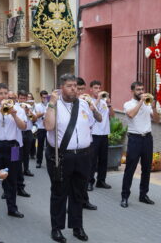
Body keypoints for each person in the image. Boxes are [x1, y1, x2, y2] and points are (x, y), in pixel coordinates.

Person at [44, 74, 98, 243]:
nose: (74, 88)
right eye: (69, 85)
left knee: (78, 193)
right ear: (61, 88)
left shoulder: (83, 104)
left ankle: (77, 227)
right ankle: (57, 228)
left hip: (83, 155)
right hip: (62, 157)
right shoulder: (54, 105)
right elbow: (49, 126)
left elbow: (96, 120)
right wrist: (52, 103)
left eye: (75, 85)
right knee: (59, 193)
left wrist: (93, 106)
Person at [0, 83, 27, 218]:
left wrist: (14, 114)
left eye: (5, 93)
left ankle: (12, 208)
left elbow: (23, 127)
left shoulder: (18, 108)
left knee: (12, 178)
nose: (3, 96)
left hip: (13, 147)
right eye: (0, 93)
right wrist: (0, 109)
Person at [120, 81, 160, 208]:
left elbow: (157, 121)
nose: (141, 92)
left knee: (146, 169)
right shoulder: (128, 104)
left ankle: (143, 195)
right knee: (130, 169)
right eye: (138, 90)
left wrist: (153, 107)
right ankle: (125, 196)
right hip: (134, 139)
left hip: (147, 138)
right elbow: (131, 115)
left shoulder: (148, 104)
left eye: (142, 89)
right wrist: (141, 102)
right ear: (132, 91)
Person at [76, 77, 100, 211]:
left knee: (85, 175)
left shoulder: (87, 102)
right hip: (74, 147)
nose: (81, 92)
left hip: (88, 144)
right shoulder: (69, 104)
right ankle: (73, 202)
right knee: (73, 179)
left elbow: (100, 118)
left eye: (82, 89)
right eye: (78, 89)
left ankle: (84, 200)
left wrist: (93, 108)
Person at [89, 80, 115, 190]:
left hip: (104, 134)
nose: (98, 90)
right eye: (95, 88)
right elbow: (91, 111)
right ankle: (89, 181)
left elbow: (112, 116)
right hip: (94, 134)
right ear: (91, 89)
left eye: (99, 88)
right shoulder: (89, 101)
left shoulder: (104, 102)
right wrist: (99, 99)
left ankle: (101, 180)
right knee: (92, 160)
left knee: (104, 159)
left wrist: (109, 103)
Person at [18, 90, 36, 177]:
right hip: (17, 132)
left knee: (26, 152)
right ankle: (16, 169)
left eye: (24, 98)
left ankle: (26, 169)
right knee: (16, 152)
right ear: (18, 98)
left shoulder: (29, 107)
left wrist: (28, 112)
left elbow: (34, 119)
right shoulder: (15, 107)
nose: (22, 100)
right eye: (20, 98)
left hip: (28, 132)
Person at [34, 90, 48, 168]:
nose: (45, 99)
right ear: (41, 97)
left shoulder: (50, 104)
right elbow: (37, 115)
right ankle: (39, 161)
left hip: (49, 127)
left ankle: (50, 162)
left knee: (49, 146)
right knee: (40, 146)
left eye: (46, 97)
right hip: (41, 128)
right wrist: (44, 112)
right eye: (43, 97)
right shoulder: (37, 105)